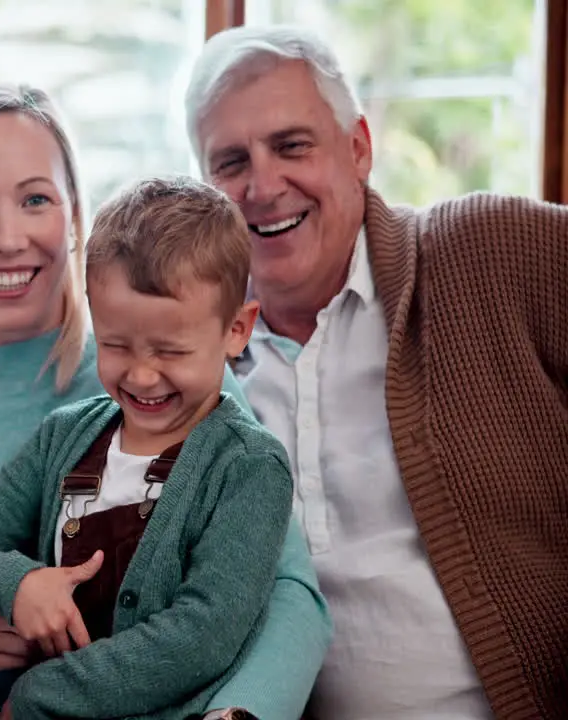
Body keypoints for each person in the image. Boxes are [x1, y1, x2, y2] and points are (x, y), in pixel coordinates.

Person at [0, 85, 330, 720]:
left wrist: (240, 715)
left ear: (74, 214)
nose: (7, 237)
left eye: (35, 199)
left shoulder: (186, 376)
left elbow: (287, 595)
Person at [185, 24, 568, 719]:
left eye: (292, 145)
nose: (263, 185)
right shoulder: (186, 363)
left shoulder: (484, 250)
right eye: (231, 161)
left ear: (358, 148)